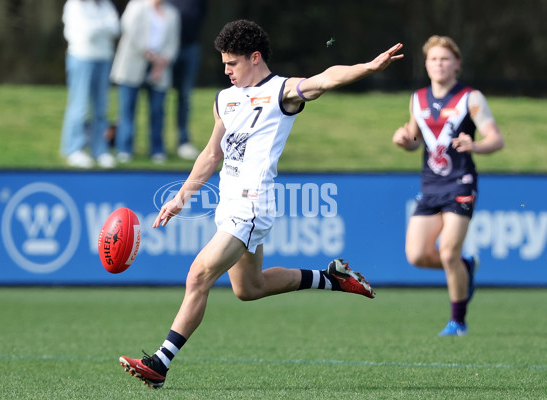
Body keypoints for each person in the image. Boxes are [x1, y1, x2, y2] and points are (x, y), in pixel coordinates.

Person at [119, 19, 403, 388]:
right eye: (223, 63)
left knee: (198, 275)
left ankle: (159, 363)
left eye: (231, 63)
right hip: (228, 205)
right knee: (248, 288)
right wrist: (181, 197)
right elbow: (210, 155)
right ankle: (331, 278)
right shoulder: (225, 98)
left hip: (253, 206)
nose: (226, 70)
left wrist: (367, 67)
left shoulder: (282, 91)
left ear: (255, 58)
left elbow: (324, 78)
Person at [392, 35, 504, 337]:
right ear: (426, 65)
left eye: (445, 59)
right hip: (430, 185)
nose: (439, 64)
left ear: (457, 64)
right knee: (416, 255)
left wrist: (475, 145)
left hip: (461, 182)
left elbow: (496, 140)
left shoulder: (471, 97)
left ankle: (458, 321)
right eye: (433, 59)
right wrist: (405, 141)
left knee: (447, 253)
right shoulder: (418, 99)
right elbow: (416, 141)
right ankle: (466, 269)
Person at [110, 0, 180, 164]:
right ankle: (124, 149)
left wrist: (162, 61)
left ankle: (157, 149)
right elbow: (131, 33)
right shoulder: (136, 7)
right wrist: (151, 56)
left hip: (160, 69)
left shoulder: (172, 12)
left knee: (157, 111)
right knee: (127, 110)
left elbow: (173, 42)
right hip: (132, 65)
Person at [60, 0, 120, 169]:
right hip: (81, 57)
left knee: (101, 107)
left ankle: (99, 149)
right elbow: (87, 32)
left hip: (104, 57)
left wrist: (98, 27)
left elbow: (115, 27)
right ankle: (74, 149)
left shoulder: (105, 5)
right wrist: (103, 26)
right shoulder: (74, 5)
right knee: (79, 106)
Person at [168, 0, 207, 161]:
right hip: (165, 49)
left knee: (185, 96)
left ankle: (183, 142)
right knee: (158, 96)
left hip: (190, 47)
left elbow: (200, 16)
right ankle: (157, 146)